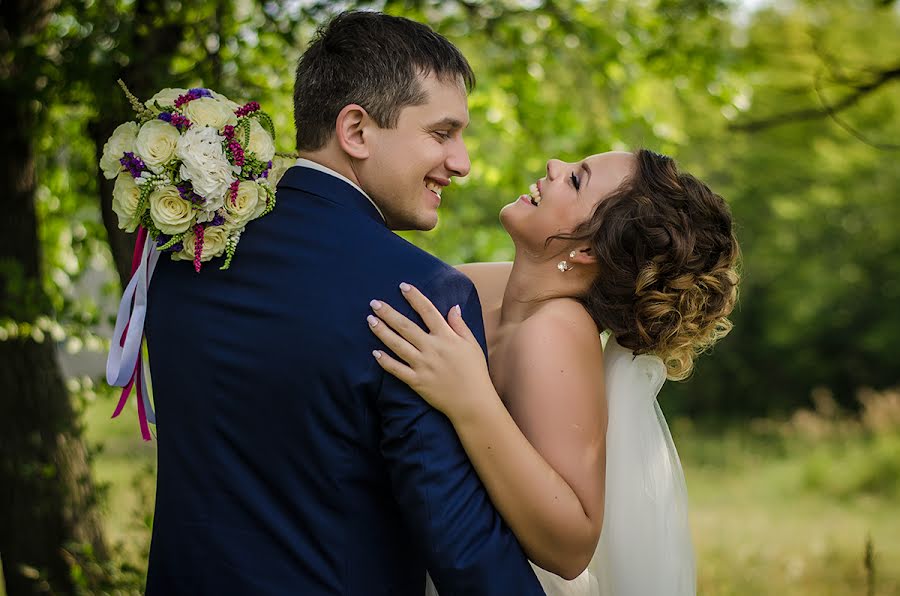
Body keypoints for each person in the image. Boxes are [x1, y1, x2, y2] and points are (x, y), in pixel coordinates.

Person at [143, 11, 544, 595]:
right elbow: (463, 547)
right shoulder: (417, 296)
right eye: (441, 133)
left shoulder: (185, 257)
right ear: (356, 130)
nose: (461, 162)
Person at [366, 149, 741, 595]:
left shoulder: (557, 331)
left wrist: (470, 400)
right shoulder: (491, 286)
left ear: (584, 249)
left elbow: (572, 546)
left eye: (576, 181)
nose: (553, 167)